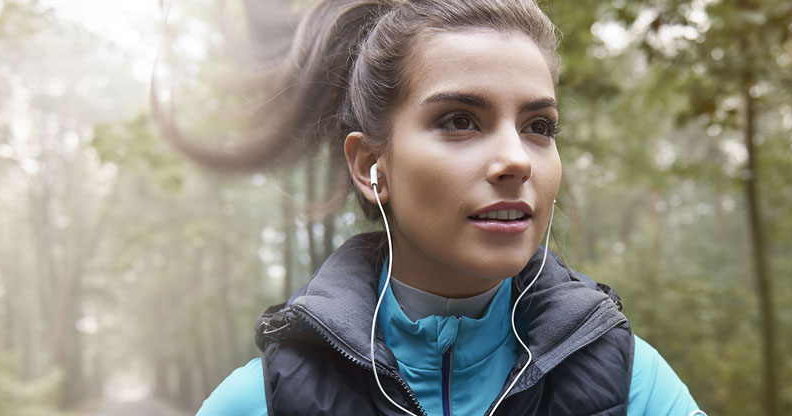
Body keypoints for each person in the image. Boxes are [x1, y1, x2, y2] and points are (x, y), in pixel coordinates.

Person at [182, 0, 705, 414]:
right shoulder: (265, 402)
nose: (516, 160)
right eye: (460, 120)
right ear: (370, 166)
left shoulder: (634, 387)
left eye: (538, 127)